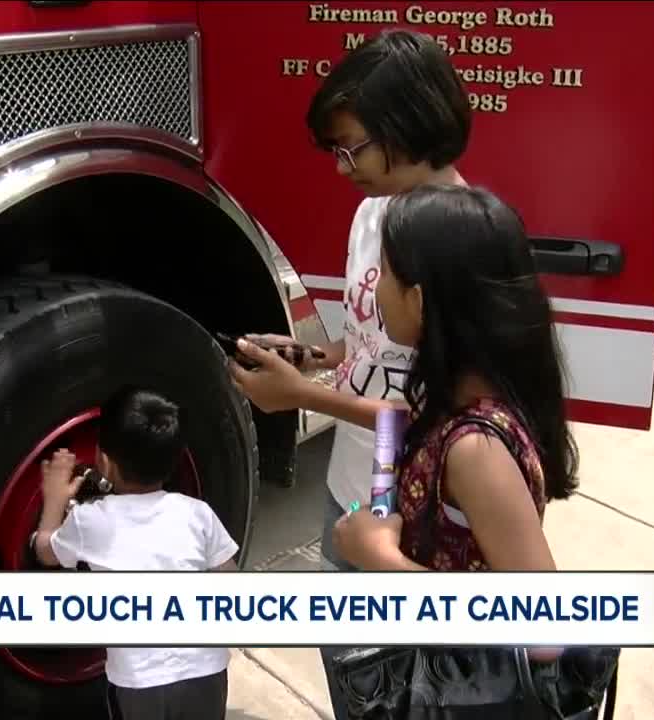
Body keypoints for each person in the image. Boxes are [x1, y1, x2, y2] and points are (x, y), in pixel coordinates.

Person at [225, 28, 471, 720]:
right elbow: (364, 340)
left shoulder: (461, 239)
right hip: (351, 484)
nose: (341, 167)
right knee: (354, 669)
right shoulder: (371, 214)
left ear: (409, 125)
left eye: (352, 147)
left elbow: (448, 423)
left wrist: (302, 398)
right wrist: (315, 358)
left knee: (406, 683)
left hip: (418, 510)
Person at [329, 184, 578, 667]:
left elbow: (546, 634)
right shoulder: (460, 395)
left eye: (385, 271)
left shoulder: (476, 451)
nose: (374, 285)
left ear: (419, 301)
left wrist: (381, 559)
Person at [31, 387, 239, 720]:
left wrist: (54, 498)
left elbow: (45, 551)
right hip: (207, 672)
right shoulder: (197, 513)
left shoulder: (90, 521)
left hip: (140, 683)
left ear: (105, 463)